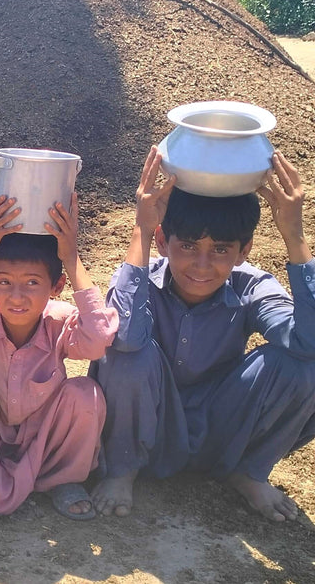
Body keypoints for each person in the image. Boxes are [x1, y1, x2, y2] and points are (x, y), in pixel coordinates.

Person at [91, 147, 315, 521]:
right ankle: (122, 468)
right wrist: (141, 231)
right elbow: (125, 338)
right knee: (127, 353)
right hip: (150, 425)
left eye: (221, 249)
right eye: (189, 246)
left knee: (300, 366)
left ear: (244, 251)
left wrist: (295, 237)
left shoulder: (252, 287)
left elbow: (309, 342)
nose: (202, 264)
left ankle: (248, 472)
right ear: (164, 242)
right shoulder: (137, 276)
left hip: (221, 427)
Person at [0, 194, 118, 522]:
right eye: (4, 282)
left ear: (56, 286)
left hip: (40, 439)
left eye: (32, 283)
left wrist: (70, 258)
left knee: (87, 393)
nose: (17, 297)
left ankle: (62, 477)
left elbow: (99, 337)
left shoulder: (60, 321)